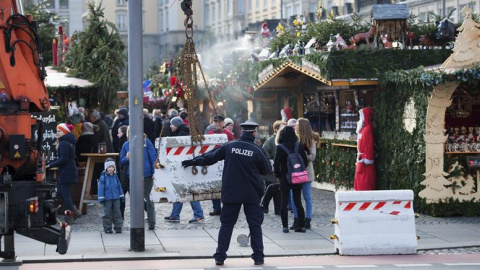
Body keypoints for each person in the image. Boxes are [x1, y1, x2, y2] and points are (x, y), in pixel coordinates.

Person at [181, 121, 271, 266]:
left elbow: (210, 157)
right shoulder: (257, 150)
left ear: (241, 132)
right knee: (254, 225)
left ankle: (220, 256)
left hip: (231, 192)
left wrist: (193, 162)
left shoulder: (230, 146)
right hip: (251, 193)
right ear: (253, 133)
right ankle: (258, 257)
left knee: (227, 225)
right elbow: (266, 169)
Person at [164, 117, 205, 223]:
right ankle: (175, 215)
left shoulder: (182, 134)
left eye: (172, 124)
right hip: (184, 167)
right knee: (180, 190)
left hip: (185, 167)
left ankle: (198, 214)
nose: (170, 126)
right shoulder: (182, 132)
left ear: (176, 125)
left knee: (188, 190)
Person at [120, 126, 157, 230]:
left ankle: (151, 222)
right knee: (136, 201)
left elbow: (153, 157)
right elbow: (121, 161)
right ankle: (137, 223)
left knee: (149, 199)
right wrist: (127, 158)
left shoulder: (146, 142)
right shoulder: (126, 145)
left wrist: (154, 172)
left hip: (147, 174)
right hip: (132, 176)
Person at [274, 125, 307, 233]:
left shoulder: (280, 147)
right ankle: (301, 226)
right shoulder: (299, 146)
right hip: (297, 177)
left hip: (285, 177)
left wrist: (278, 175)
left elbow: (276, 164)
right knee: (298, 202)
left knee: (284, 203)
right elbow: (305, 162)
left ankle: (285, 226)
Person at [46, 123, 81, 223]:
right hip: (68, 170)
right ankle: (75, 211)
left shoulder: (64, 143)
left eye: (59, 131)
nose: (57, 133)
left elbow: (63, 159)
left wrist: (50, 165)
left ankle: (70, 216)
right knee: (61, 193)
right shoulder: (67, 141)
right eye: (57, 131)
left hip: (67, 171)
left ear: (65, 132)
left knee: (65, 195)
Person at [290, 118, 319, 229]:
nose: (295, 126)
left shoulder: (310, 140)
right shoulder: (294, 139)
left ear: (302, 126)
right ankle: (296, 219)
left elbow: (313, 156)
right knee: (294, 197)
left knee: (307, 196)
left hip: (306, 172)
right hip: (296, 172)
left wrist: (301, 156)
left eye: (297, 125)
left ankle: (307, 219)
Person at [206, 114, 235, 216]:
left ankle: (226, 208)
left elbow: (232, 148)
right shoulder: (210, 133)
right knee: (213, 185)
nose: (217, 124)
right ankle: (216, 208)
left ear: (223, 123)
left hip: (224, 162)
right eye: (215, 122)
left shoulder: (228, 134)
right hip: (213, 162)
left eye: (219, 122)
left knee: (225, 186)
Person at [260, 120, 285, 215]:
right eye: (282, 128)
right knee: (272, 188)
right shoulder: (270, 140)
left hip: (280, 171)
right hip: (271, 172)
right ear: (276, 129)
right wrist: (274, 163)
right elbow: (265, 154)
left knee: (278, 190)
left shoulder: (283, 140)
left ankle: (277, 209)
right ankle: (264, 205)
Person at [98, 158, 124, 234]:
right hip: (107, 198)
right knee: (107, 213)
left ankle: (118, 227)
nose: (111, 168)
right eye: (109, 167)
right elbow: (101, 188)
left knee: (117, 212)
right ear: (106, 168)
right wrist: (101, 197)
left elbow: (119, 186)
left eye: (112, 167)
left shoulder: (115, 176)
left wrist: (121, 196)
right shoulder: (103, 177)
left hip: (116, 198)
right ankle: (107, 228)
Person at [354, 107, 376, 191]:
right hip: (362, 162)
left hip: (365, 164)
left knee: (365, 185)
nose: (359, 119)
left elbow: (369, 147)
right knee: (361, 185)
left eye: (361, 117)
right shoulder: (364, 130)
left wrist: (367, 159)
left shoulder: (367, 130)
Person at [117, 125, 129, 219]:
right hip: (125, 173)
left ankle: (121, 217)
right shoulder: (123, 143)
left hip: (126, 174)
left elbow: (122, 161)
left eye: (119, 132)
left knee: (122, 196)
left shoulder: (125, 144)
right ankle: (120, 216)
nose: (117, 135)